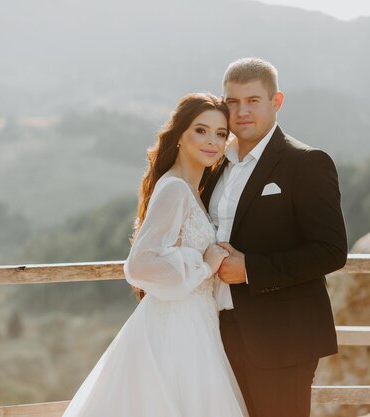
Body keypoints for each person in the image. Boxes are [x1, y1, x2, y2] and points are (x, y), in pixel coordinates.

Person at [61, 93, 249, 417]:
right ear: (179, 135)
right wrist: (205, 266)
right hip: (176, 328)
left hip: (196, 324)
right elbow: (140, 264)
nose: (212, 141)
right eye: (201, 130)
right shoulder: (174, 188)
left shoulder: (191, 189)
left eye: (220, 134)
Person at [200, 58, 348, 417]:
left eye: (253, 100)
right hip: (215, 331)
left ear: (276, 101)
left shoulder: (307, 163)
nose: (242, 111)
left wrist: (250, 269)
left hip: (282, 338)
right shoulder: (214, 165)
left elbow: (331, 251)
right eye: (232, 102)